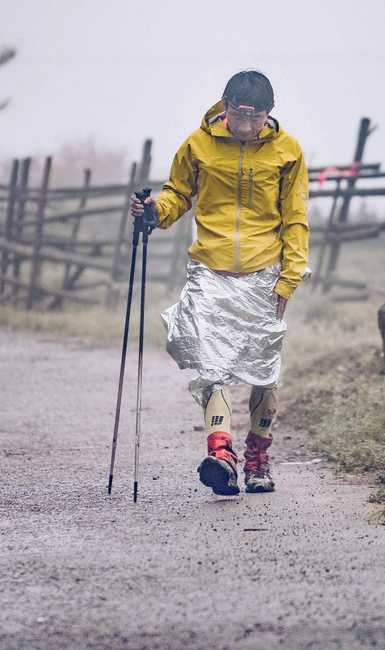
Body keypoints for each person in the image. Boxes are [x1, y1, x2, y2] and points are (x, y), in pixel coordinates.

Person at [130, 69, 310, 495]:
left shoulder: (288, 151)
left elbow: (296, 218)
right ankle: (221, 454)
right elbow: (178, 193)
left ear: (269, 112)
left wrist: (289, 279)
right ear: (224, 106)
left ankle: (258, 459)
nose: (247, 126)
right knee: (213, 367)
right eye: (238, 114)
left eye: (256, 117)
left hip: (264, 276)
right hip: (210, 273)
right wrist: (155, 210)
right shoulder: (197, 144)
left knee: (263, 374)